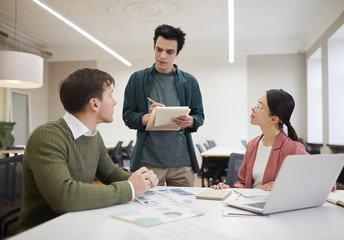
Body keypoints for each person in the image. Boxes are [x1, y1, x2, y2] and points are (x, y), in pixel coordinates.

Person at [17, 68, 158, 232]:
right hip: (44, 232)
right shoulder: (47, 136)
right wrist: (130, 188)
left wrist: (141, 180)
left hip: (76, 223)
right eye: (110, 95)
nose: (114, 102)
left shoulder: (93, 136)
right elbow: (65, 196)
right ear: (94, 104)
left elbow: (111, 174)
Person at [122, 24, 204, 187]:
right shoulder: (137, 79)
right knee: (146, 209)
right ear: (154, 47)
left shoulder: (190, 81)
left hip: (183, 163)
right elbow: (128, 116)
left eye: (169, 52)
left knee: (184, 211)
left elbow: (199, 116)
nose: (162, 56)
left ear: (178, 53)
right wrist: (148, 117)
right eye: (158, 49)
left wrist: (190, 121)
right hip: (148, 162)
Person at [212, 89, 308, 191]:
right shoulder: (252, 144)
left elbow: (311, 181)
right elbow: (244, 183)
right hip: (249, 204)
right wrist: (230, 189)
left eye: (260, 106)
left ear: (273, 119)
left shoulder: (293, 148)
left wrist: (282, 186)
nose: (253, 108)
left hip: (275, 205)